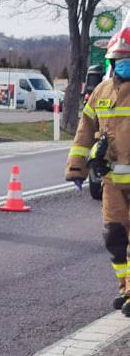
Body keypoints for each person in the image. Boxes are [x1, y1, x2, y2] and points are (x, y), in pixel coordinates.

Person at [66, 19, 130, 316]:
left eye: (127, 61)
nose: (122, 66)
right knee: (114, 237)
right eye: (118, 61)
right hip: (111, 182)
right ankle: (125, 288)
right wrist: (77, 166)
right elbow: (84, 129)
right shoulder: (101, 92)